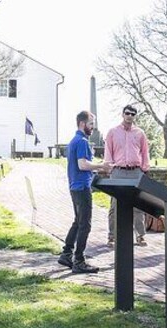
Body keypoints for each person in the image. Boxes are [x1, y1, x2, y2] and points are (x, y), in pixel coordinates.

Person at [58, 111, 112, 274]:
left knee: (78, 221)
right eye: (91, 124)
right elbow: (82, 165)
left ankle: (66, 254)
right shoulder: (81, 141)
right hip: (82, 187)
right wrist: (102, 166)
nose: (93, 127)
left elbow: (82, 164)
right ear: (82, 124)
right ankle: (79, 260)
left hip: (75, 186)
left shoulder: (74, 141)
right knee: (85, 225)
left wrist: (96, 167)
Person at [105, 105, 150, 247]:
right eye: (127, 113)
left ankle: (140, 236)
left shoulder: (140, 133)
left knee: (138, 204)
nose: (130, 116)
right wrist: (110, 167)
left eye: (133, 114)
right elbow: (108, 151)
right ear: (122, 114)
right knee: (114, 204)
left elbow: (144, 152)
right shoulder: (112, 132)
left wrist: (144, 168)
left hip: (135, 171)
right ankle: (112, 236)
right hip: (118, 171)